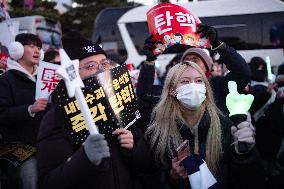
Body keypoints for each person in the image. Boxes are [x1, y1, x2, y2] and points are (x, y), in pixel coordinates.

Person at [37, 31, 153, 189]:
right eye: (91, 66)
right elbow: (47, 183)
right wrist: (84, 158)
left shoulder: (121, 103)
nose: (101, 70)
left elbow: (148, 167)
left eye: (104, 63)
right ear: (73, 73)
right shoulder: (58, 116)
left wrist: (134, 147)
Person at [145, 61, 265, 189]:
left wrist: (245, 155)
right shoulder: (159, 131)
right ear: (172, 90)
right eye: (185, 81)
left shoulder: (225, 125)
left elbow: (250, 180)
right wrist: (171, 177)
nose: (193, 86)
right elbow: (150, 178)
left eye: (198, 81)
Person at [140, 24, 251, 116]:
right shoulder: (173, 88)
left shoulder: (218, 85)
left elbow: (242, 74)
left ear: (207, 68)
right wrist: (150, 61)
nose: (190, 63)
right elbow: (144, 95)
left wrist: (218, 45)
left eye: (195, 59)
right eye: (186, 60)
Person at [0, 33, 48, 189]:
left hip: (46, 141)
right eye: (31, 46)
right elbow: (2, 115)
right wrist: (29, 109)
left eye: (39, 47)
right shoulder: (6, 80)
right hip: (17, 146)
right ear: (17, 50)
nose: (37, 51)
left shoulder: (46, 78)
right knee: (30, 177)